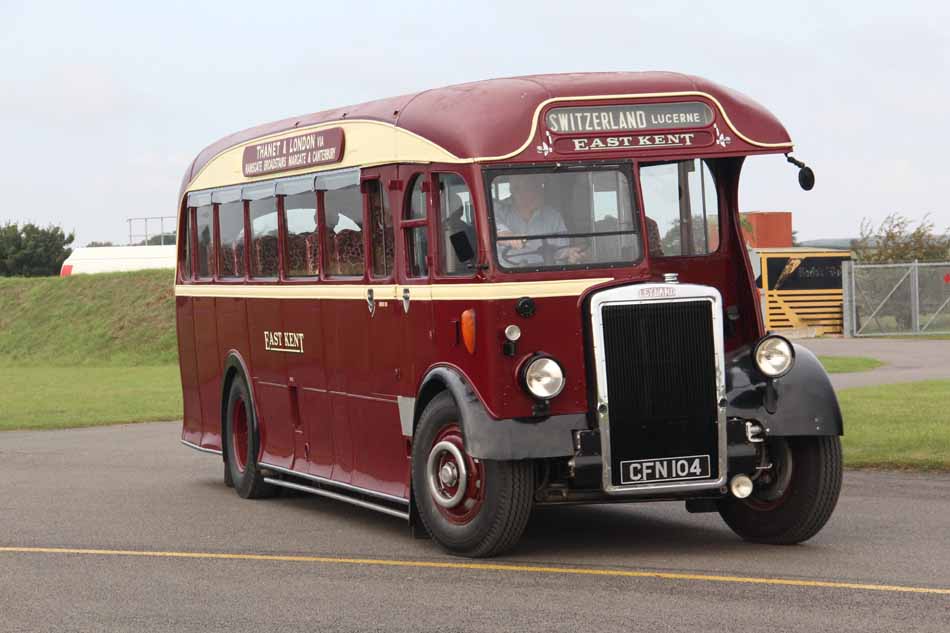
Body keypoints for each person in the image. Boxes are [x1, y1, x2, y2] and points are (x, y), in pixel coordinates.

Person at [495, 174, 584, 266]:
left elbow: (561, 250)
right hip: (508, 276)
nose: (540, 191)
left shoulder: (553, 216)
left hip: (545, 274)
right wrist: (510, 238)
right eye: (533, 187)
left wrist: (570, 253)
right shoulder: (497, 212)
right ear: (517, 191)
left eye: (540, 187)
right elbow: (496, 233)